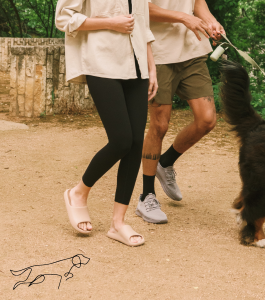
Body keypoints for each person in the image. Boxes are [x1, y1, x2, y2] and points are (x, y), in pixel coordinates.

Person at [55, 0, 158, 246]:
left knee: (135, 143)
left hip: (138, 67)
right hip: (101, 63)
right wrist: (110, 23)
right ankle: (79, 192)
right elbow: (63, 18)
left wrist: (152, 69)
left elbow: (143, 24)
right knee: (121, 140)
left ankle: (118, 223)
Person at [134, 0, 225, 223]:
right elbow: (142, 8)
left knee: (207, 120)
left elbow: (196, 2)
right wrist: (184, 18)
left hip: (192, 51)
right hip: (159, 53)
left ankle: (165, 162)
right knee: (160, 125)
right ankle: (146, 195)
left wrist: (211, 22)